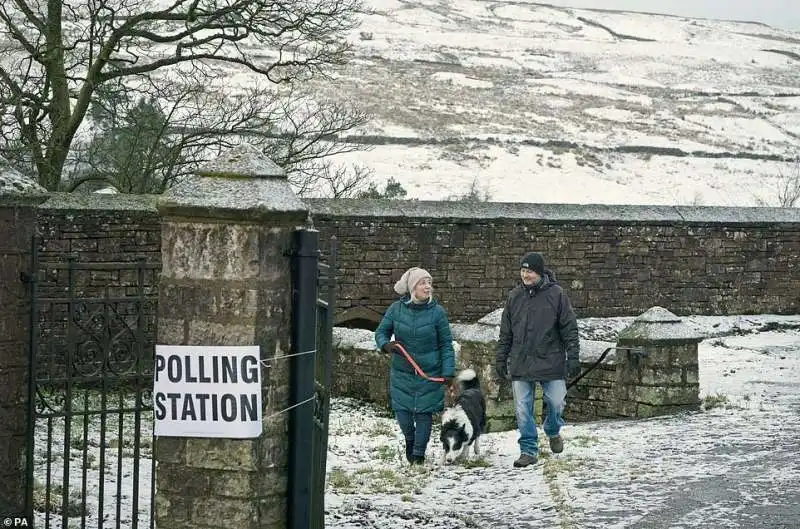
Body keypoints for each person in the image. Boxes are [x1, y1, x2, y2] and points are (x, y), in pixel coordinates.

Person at [495, 252, 580, 468]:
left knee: (557, 401)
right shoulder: (514, 297)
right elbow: (506, 332)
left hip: (551, 360)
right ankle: (528, 449)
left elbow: (569, 328)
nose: (525, 275)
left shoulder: (557, 295)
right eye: (523, 271)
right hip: (521, 362)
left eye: (530, 271)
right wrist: (500, 358)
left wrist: (573, 357)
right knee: (523, 409)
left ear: (540, 273)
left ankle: (552, 429)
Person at [375, 267, 456, 465]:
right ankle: (409, 440)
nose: (428, 287)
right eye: (423, 283)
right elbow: (381, 332)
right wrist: (386, 344)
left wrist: (448, 372)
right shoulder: (396, 309)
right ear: (412, 288)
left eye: (429, 283)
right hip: (402, 372)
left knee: (423, 414)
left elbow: (446, 344)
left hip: (429, 372)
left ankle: (418, 454)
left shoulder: (437, 313)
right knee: (402, 413)